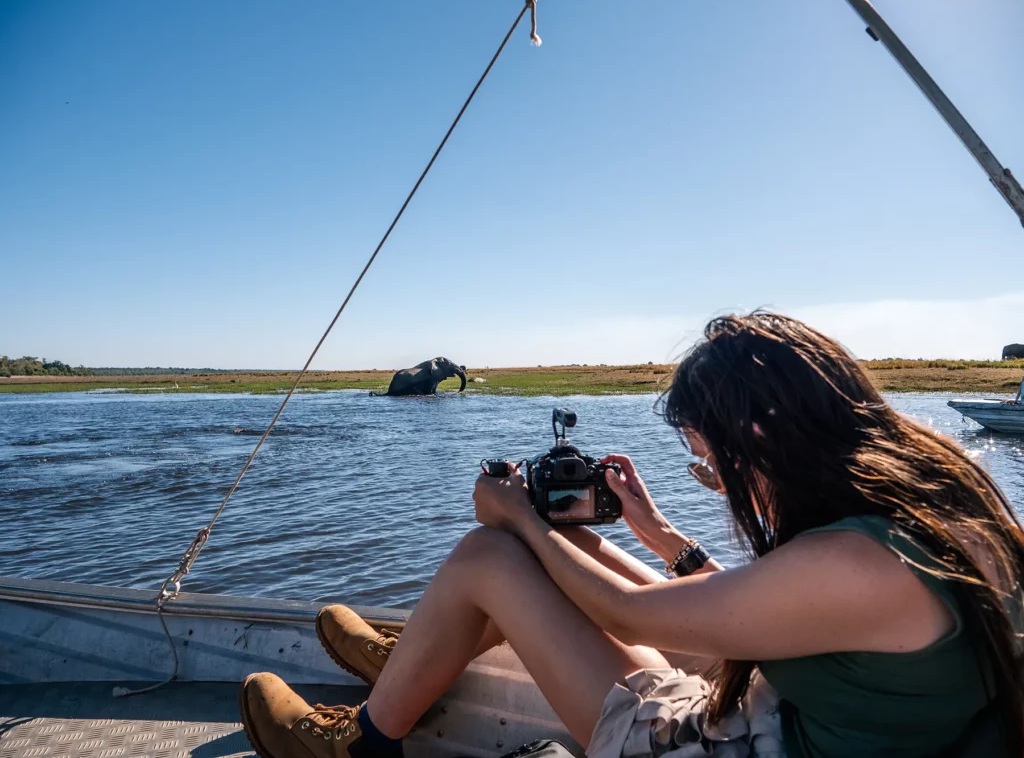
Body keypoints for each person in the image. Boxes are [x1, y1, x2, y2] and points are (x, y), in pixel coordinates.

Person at [238, 312, 1024, 758]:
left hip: (748, 743)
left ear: (755, 430)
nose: (711, 474)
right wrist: (654, 530)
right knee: (571, 549)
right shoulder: (933, 505)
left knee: (493, 554)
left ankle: (357, 746)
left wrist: (512, 514)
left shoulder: (859, 562)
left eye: (707, 455)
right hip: (797, 713)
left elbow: (631, 617)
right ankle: (422, 655)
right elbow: (761, 609)